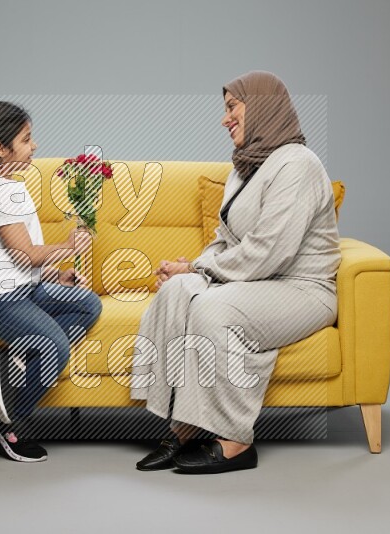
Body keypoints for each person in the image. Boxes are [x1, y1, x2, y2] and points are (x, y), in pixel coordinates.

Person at [131, 71, 342, 474]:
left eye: (232, 107)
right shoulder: (245, 167)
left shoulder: (298, 164)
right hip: (255, 280)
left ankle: (235, 441)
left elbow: (270, 252)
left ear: (261, 106)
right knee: (178, 292)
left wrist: (198, 267)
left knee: (215, 310)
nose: (225, 118)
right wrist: (186, 270)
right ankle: (186, 424)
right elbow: (225, 240)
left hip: (299, 288)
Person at [0, 101, 102, 463]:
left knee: (88, 304)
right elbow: (25, 254)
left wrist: (56, 274)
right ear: (0, 148)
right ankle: (8, 421)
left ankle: (16, 355)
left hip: (22, 289)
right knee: (54, 347)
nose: (35, 146)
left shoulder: (9, 186)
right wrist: (68, 246)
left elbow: (20, 261)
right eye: (27, 139)